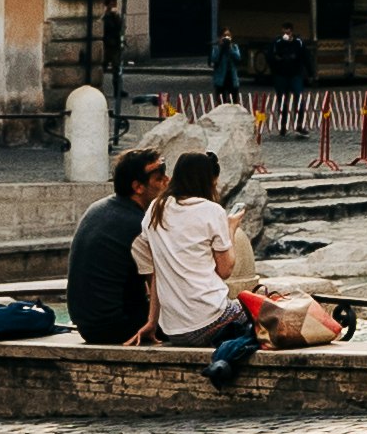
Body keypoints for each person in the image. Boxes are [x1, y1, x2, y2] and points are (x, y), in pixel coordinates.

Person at [146, 146, 345, 382]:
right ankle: (224, 357)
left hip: (174, 329)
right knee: (269, 325)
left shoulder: (154, 210)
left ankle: (225, 356)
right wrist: (230, 228)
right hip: (209, 319)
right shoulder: (211, 211)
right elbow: (225, 270)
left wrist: (152, 321)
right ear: (208, 181)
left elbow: (158, 270)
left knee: (254, 323)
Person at [68, 144, 165, 346]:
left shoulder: (99, 207)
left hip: (88, 325)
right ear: (138, 187)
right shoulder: (139, 225)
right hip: (117, 326)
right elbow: (159, 283)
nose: (167, 181)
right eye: (159, 177)